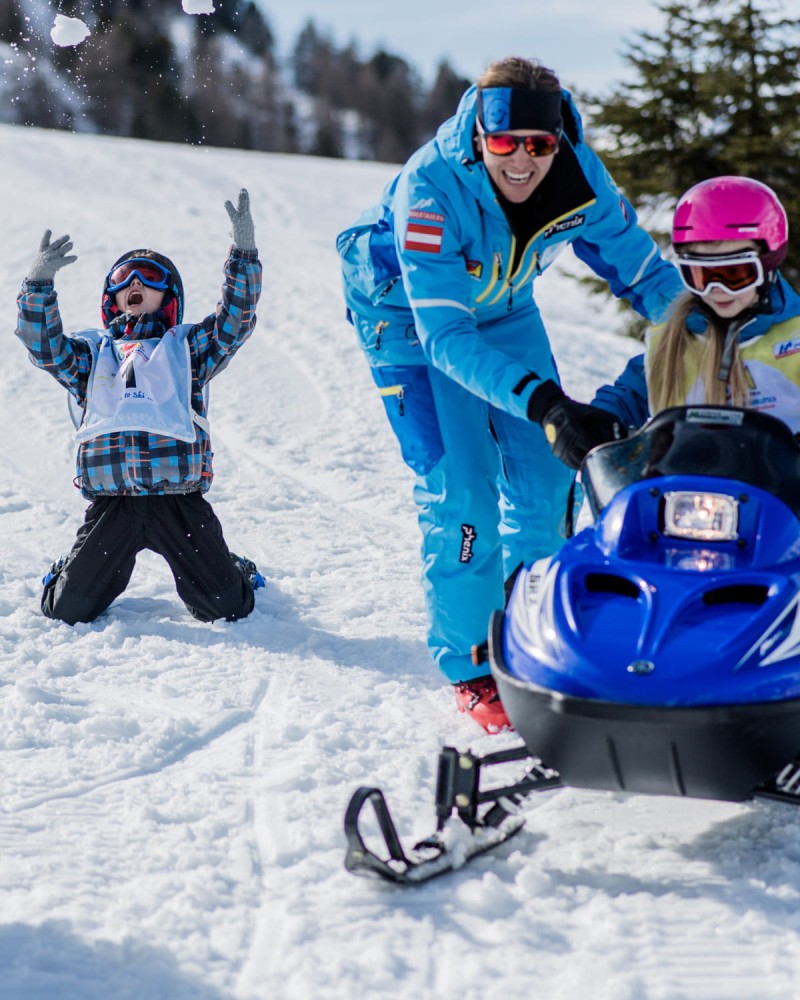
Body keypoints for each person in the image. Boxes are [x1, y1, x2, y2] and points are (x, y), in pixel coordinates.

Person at [336, 56, 683, 732]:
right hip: (409, 319)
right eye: (504, 143)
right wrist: (547, 402)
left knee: (549, 479)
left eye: (539, 145)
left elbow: (648, 276)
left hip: (503, 304)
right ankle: (470, 665)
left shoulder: (580, 175)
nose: (522, 161)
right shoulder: (431, 190)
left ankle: (535, 631)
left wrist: (709, 335)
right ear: (479, 138)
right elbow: (445, 338)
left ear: (559, 139)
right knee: (463, 493)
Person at [15, 188, 264, 626]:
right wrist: (38, 286)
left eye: (148, 276)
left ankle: (233, 567)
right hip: (114, 506)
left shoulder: (187, 351)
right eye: (125, 277)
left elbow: (235, 321)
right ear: (110, 298)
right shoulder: (92, 357)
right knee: (65, 610)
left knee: (227, 608)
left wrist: (243, 254)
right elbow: (44, 348)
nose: (135, 284)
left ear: (168, 299)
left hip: (178, 503)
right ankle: (69, 570)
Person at [592, 176, 800, 436]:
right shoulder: (673, 344)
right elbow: (624, 400)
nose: (717, 290)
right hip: (684, 475)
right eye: (702, 275)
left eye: (735, 274)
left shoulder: (796, 340)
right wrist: (594, 424)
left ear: (768, 265)